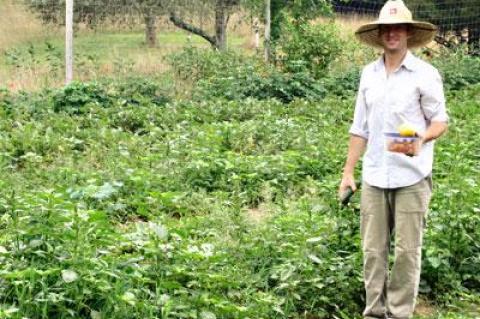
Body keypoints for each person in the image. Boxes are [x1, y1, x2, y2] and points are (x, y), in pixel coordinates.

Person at [338, 0, 449, 318]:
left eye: (398, 27)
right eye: (387, 28)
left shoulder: (424, 74)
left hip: (411, 176)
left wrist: (421, 138)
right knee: (373, 252)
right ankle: (374, 312)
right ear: (380, 33)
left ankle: (399, 313)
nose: (392, 33)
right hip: (374, 175)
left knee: (406, 253)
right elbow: (359, 128)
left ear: (408, 32)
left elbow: (440, 120)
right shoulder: (368, 75)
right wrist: (348, 172)